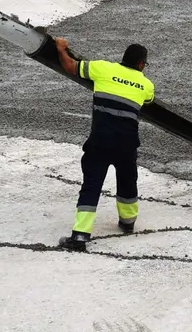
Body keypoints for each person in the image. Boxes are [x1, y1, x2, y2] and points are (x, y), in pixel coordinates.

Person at [53, 38, 155, 251]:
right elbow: (147, 102)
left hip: (100, 141)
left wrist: (61, 48)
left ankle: (80, 236)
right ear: (141, 65)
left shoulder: (102, 68)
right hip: (127, 144)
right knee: (128, 182)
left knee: (91, 185)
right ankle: (128, 223)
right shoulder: (146, 85)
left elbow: (71, 66)